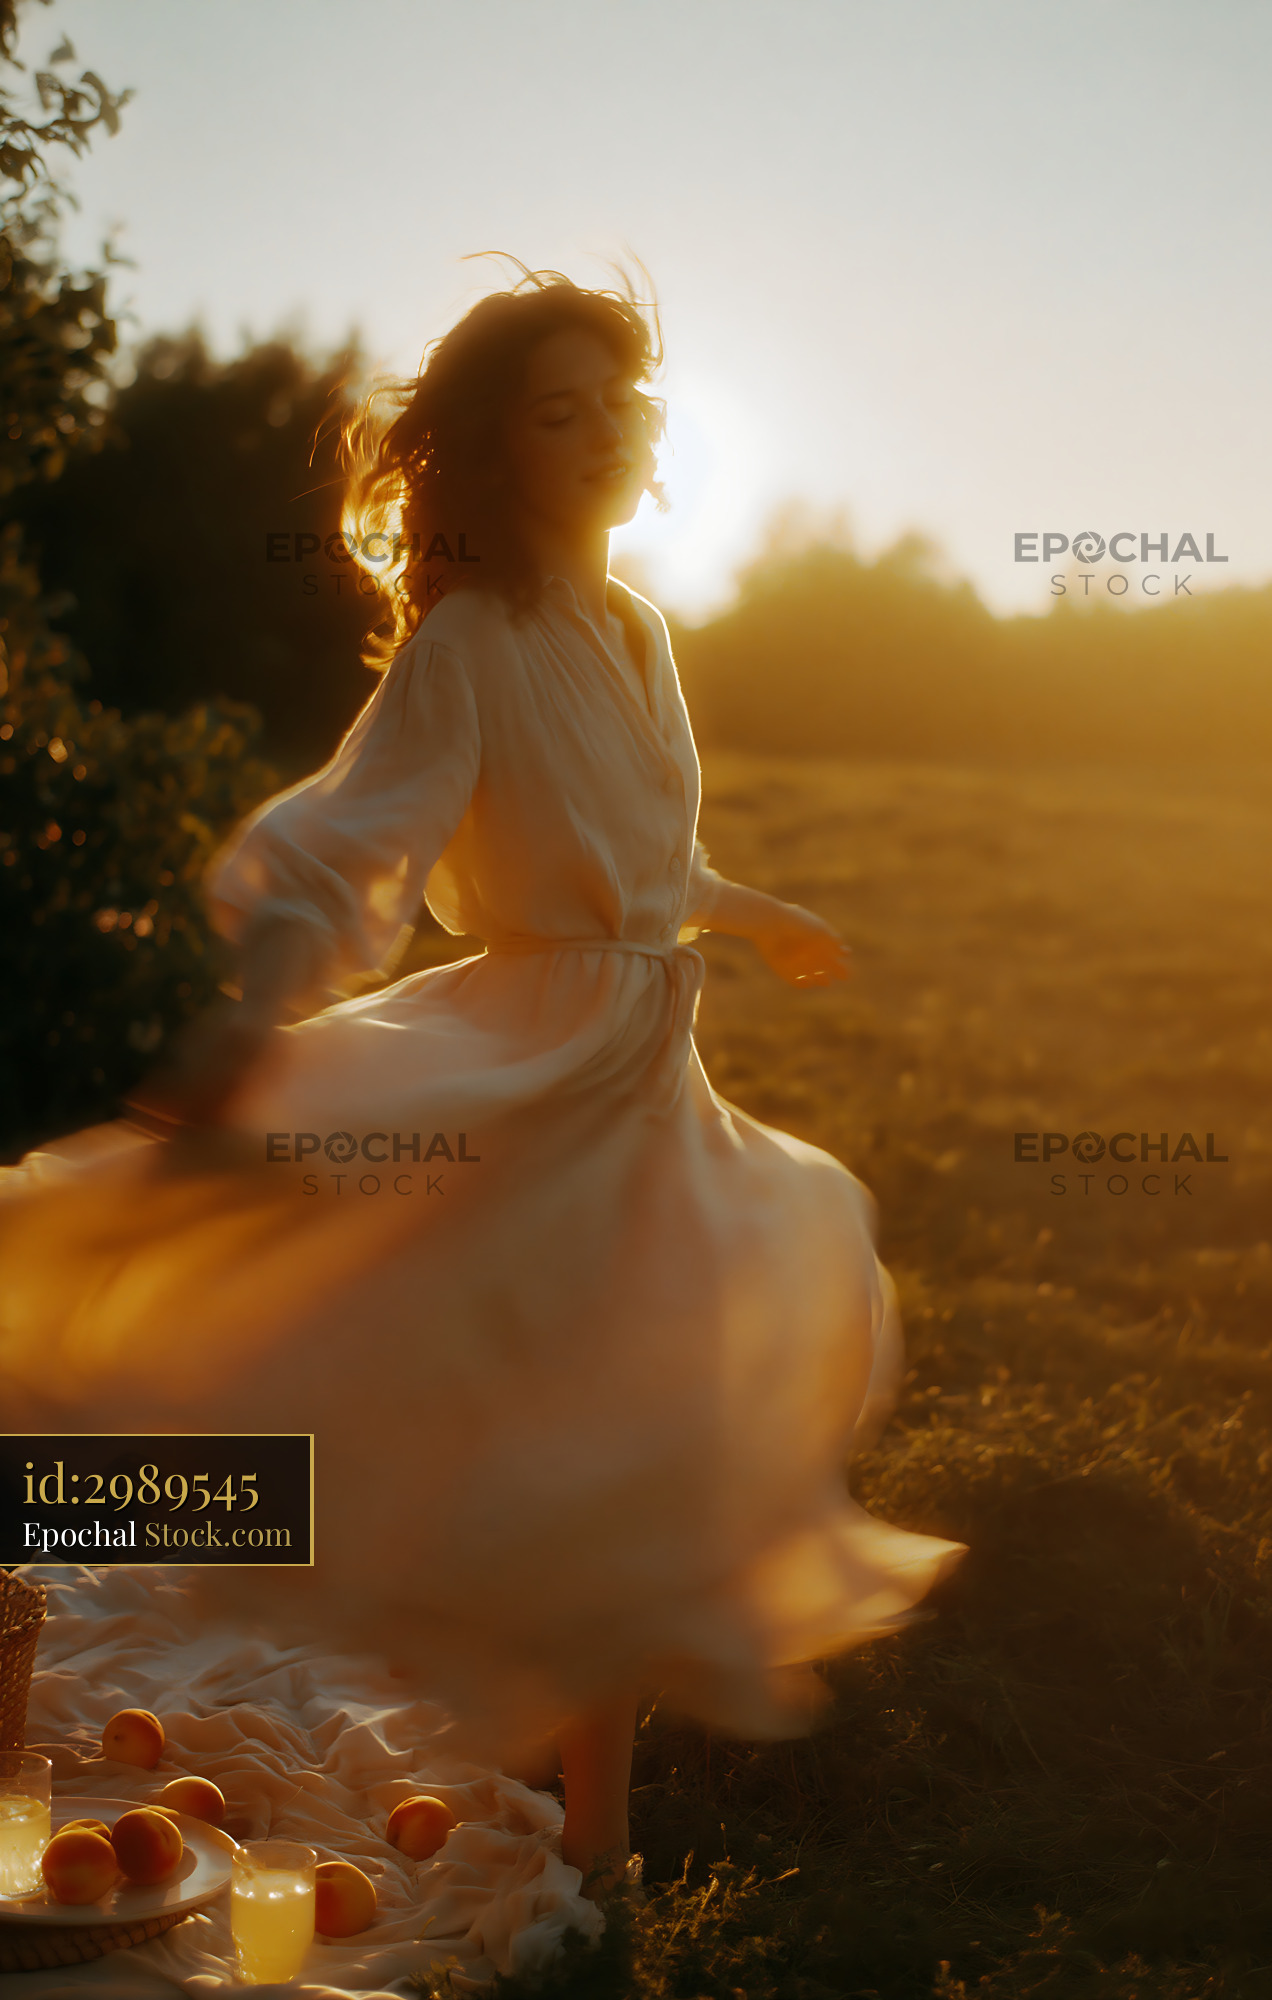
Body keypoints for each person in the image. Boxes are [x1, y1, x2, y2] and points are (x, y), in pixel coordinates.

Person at [0, 267, 964, 1903]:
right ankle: (567, 1805)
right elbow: (351, 839)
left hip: (648, 1077)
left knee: (632, 1431)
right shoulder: (470, 640)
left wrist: (752, 910)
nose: (598, 434)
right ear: (492, 448)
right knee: (431, 1376)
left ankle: (595, 1828)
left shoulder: (642, 631)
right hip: (529, 1069)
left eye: (618, 405)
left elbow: (645, 850)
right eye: (554, 409)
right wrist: (252, 1010)